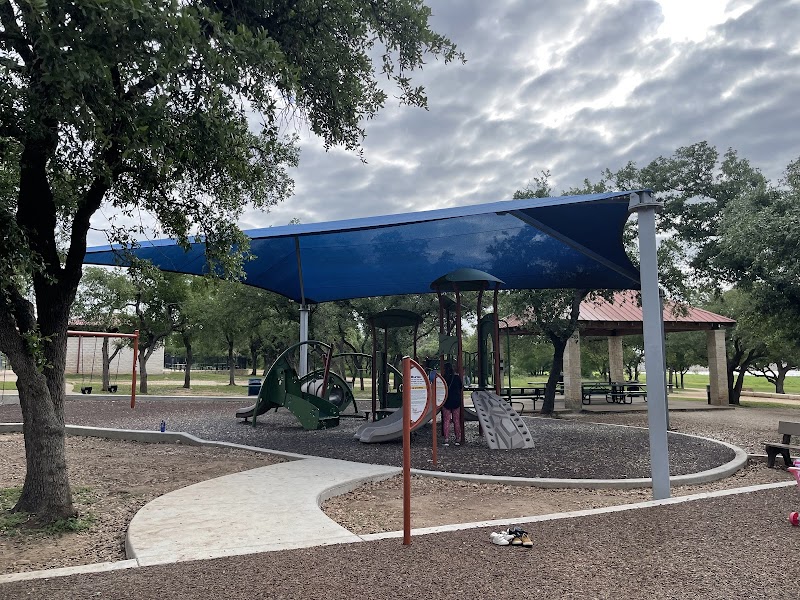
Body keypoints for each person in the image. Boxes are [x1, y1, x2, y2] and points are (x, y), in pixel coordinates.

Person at [441, 362, 463, 446]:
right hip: (456, 401)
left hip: (446, 401)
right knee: (456, 420)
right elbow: (460, 387)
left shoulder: (443, 379)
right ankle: (458, 438)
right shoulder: (457, 378)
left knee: (446, 421)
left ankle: (446, 439)